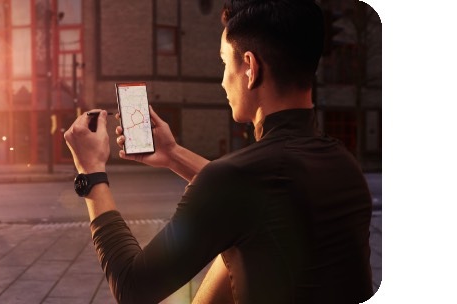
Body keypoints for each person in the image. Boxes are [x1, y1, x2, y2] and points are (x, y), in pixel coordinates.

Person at [63, 0, 374, 303]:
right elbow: (257, 196)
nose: (223, 81)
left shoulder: (238, 179)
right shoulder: (345, 165)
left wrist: (91, 173)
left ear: (250, 68)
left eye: (225, 63)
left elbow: (132, 288)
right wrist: (172, 154)